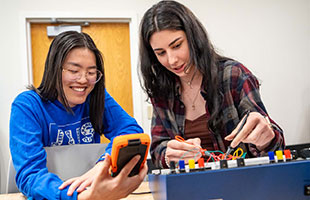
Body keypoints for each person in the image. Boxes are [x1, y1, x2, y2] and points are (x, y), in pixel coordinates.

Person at [139, 0, 285, 168]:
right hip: (190, 190)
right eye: (161, 53)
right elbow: (158, 151)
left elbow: (275, 147)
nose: (172, 60)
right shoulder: (162, 91)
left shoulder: (234, 76)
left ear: (193, 37)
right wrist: (167, 155)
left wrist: (265, 138)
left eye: (177, 45)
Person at [10, 31, 147, 200]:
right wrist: (80, 196)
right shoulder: (28, 105)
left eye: (91, 72)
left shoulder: (96, 97)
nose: (83, 80)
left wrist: (105, 163)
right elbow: (31, 177)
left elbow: (132, 131)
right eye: (74, 70)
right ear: (54, 69)